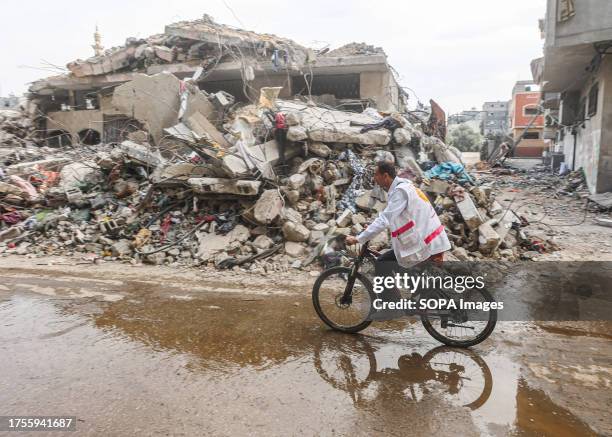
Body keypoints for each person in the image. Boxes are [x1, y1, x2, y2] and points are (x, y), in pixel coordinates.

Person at [346, 160, 451, 273]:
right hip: (427, 240)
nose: (374, 178)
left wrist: (359, 238)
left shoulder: (401, 192)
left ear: (385, 176)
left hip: (425, 244)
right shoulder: (403, 188)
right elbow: (390, 215)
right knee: (402, 271)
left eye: (376, 174)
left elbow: (385, 219)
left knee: (383, 265)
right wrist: (371, 227)